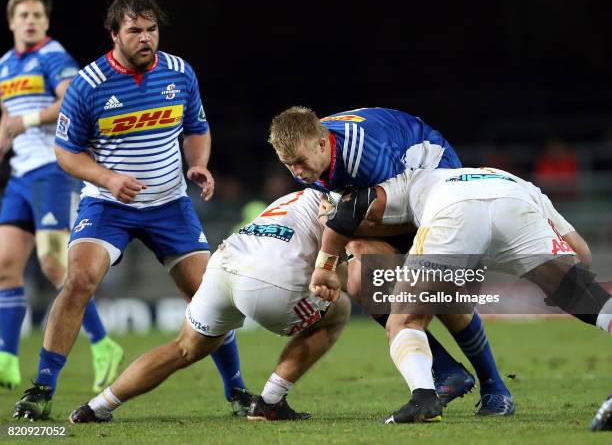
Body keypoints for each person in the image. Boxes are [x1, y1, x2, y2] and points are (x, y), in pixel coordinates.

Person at [13, 0, 249, 421]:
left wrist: (198, 165)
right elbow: (66, 151)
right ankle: (41, 390)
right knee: (79, 281)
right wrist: (107, 177)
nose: (146, 38)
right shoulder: (88, 84)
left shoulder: (179, 73)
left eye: (152, 29)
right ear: (114, 35)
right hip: (108, 205)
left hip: (169, 204)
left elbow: (197, 126)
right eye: (135, 30)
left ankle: (238, 393)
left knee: (209, 296)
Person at [309, 166, 611, 423]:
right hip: (515, 205)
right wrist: (558, 280)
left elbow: (353, 212)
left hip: (454, 212)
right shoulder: (519, 181)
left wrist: (327, 233)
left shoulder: (413, 179)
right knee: (585, 296)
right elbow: (581, 253)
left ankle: (423, 400)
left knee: (404, 320)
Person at [269, 106, 514, 414]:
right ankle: (446, 371)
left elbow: (402, 210)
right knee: (362, 281)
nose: (297, 173)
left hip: (437, 188)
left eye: (300, 163)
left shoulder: (365, 154)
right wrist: (336, 224)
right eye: (288, 165)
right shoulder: (311, 150)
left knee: (438, 293)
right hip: (384, 199)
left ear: (321, 145)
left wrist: (337, 227)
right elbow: (342, 210)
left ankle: (495, 388)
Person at [68, 189, 351, 423]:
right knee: (339, 312)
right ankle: (270, 402)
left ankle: (96, 407)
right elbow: (336, 231)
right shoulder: (346, 193)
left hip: (224, 263)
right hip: (267, 280)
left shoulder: (300, 194)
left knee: (184, 347)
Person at [0, 0, 121, 393]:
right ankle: (7, 359)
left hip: (54, 170)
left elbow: (67, 100)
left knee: (53, 263)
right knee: (5, 265)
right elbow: (6, 120)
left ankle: (104, 344)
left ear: (46, 22)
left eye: (37, 14)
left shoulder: (53, 56)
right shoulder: (4, 65)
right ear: (12, 21)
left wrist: (27, 120)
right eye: (24, 15)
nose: (31, 20)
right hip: (21, 174)